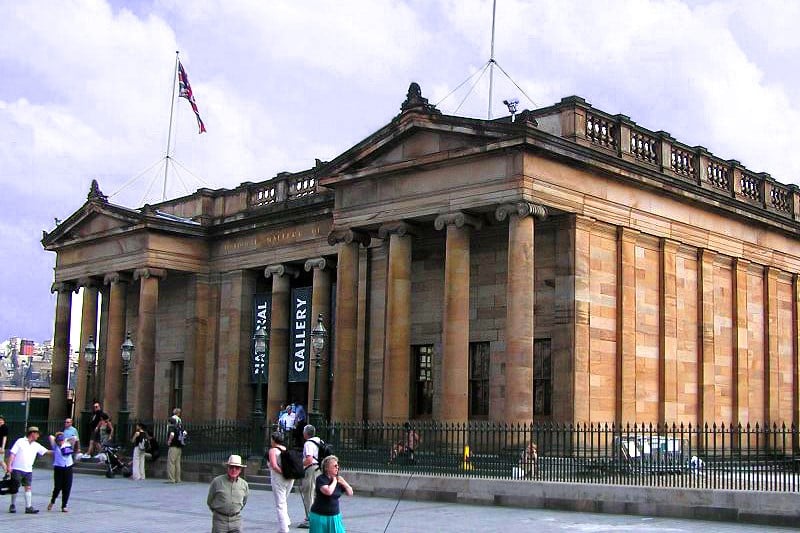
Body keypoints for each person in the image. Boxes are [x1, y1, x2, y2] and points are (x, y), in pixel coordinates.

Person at [7, 426, 51, 514]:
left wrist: (59, 451)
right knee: (15, 487)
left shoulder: (36, 445)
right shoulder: (20, 441)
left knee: (28, 487)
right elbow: (12, 454)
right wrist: (9, 465)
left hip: (28, 470)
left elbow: (46, 452)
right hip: (17, 468)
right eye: (37, 434)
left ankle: (28, 507)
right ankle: (12, 504)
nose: (38, 436)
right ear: (32, 433)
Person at [308, 455, 353, 533]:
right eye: (335, 466)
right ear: (327, 468)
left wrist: (344, 483)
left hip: (334, 516)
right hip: (319, 516)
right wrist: (335, 481)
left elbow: (350, 492)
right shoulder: (321, 479)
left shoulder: (339, 479)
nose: (337, 468)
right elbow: (328, 491)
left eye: (338, 466)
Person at [207, 454, 250, 533]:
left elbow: (244, 502)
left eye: (237, 468)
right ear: (227, 468)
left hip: (236, 520)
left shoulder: (244, 484)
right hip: (220, 520)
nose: (234, 470)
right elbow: (210, 501)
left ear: (240, 470)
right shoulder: (217, 482)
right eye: (231, 467)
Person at [267, 431, 294, 533]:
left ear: (274, 440)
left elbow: (274, 465)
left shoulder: (273, 450)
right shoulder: (285, 449)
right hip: (290, 478)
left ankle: (283, 528)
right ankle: (286, 521)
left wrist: (282, 473)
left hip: (279, 478)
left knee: (280, 504)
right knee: (284, 500)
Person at [298, 424, 322, 529]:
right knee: (316, 494)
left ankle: (310, 518)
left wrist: (299, 464)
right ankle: (317, 516)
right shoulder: (319, 441)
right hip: (319, 469)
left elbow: (309, 459)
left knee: (308, 493)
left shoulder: (308, 443)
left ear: (306, 433)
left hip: (311, 469)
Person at [47, 432, 76, 512]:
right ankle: (52, 501)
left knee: (67, 487)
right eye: (59, 440)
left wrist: (66, 439)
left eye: (61, 440)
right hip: (58, 468)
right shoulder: (55, 446)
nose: (61, 442)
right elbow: (50, 437)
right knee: (57, 487)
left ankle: (64, 505)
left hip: (68, 467)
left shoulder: (67, 444)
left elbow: (74, 438)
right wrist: (57, 437)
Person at [166, 409, 185, 483]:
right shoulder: (180, 427)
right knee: (177, 463)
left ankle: (171, 479)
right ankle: (178, 478)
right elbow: (185, 433)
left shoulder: (172, 427)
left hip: (173, 446)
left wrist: (169, 441)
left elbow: (172, 434)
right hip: (179, 446)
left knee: (171, 462)